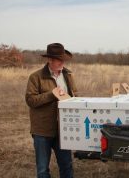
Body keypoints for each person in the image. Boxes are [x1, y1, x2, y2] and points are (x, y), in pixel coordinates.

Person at [25, 43, 77, 178]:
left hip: (64, 129)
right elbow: (31, 100)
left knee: (67, 166)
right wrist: (51, 94)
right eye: (59, 59)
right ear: (50, 60)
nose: (62, 62)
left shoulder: (68, 75)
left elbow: (74, 95)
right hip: (42, 130)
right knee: (43, 170)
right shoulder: (36, 77)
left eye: (63, 59)